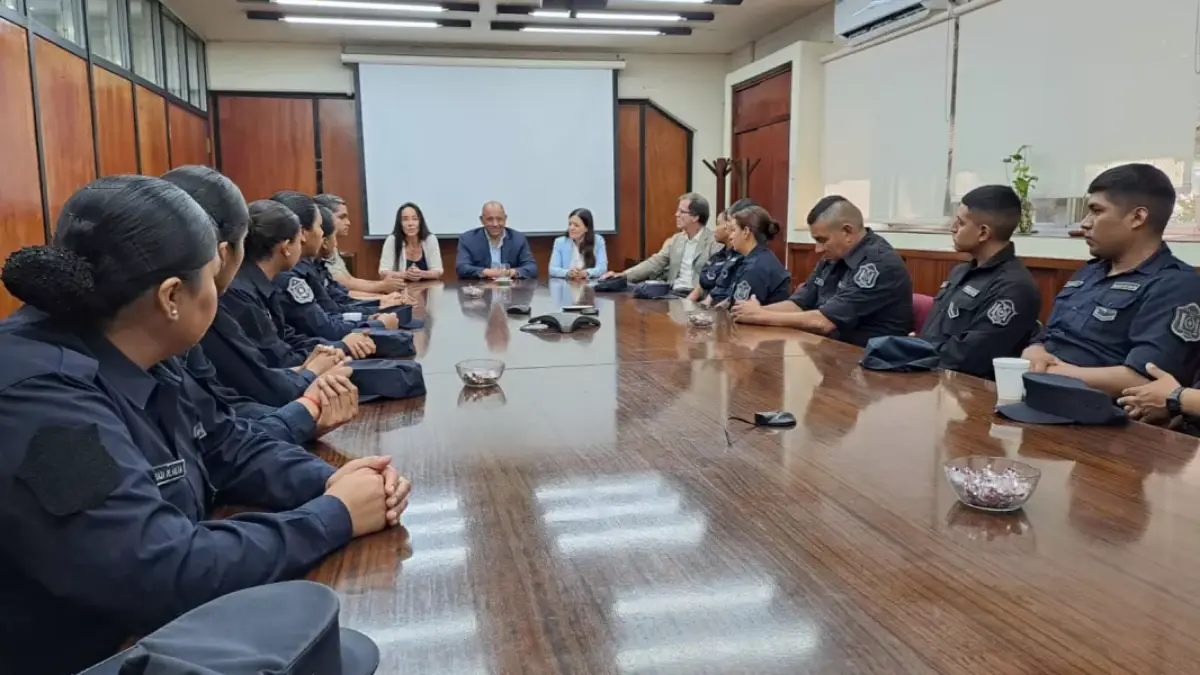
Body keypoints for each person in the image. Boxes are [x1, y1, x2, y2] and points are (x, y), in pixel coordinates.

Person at [0, 175, 408, 675]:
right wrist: (332, 516)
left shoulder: (144, 340)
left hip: (154, 635)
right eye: (214, 276)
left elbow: (224, 445)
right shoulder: (38, 396)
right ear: (172, 295)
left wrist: (332, 482)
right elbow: (161, 569)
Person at [162, 166, 357, 443]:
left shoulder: (185, 318)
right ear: (223, 253)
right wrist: (308, 403)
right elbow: (224, 432)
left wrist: (303, 387)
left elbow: (221, 409)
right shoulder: (215, 304)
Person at [1021, 163, 1200, 397]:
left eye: (1096, 211)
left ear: (1137, 217)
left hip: (1097, 415)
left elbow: (1146, 377)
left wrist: (1055, 373)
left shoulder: (1174, 285)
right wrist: (1034, 352)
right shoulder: (1090, 272)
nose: (1084, 223)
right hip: (1038, 392)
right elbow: (1046, 336)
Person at [731, 196, 912, 345]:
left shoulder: (879, 264)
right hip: (834, 355)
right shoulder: (833, 257)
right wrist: (750, 312)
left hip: (873, 367)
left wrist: (761, 315)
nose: (818, 249)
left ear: (847, 232)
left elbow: (824, 322)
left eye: (822, 240)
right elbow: (799, 304)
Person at [223, 200, 377, 367]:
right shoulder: (244, 293)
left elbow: (286, 337)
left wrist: (333, 348)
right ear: (286, 247)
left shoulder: (264, 283)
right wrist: (338, 348)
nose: (303, 241)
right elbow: (279, 359)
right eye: (299, 237)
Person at [918, 185, 1041, 378]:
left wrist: (912, 354)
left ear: (983, 233)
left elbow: (970, 358)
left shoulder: (1013, 288)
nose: (952, 228)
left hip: (967, 391)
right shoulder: (961, 271)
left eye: (960, 223)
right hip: (929, 374)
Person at [272, 196, 402, 342]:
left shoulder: (307, 267)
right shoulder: (289, 277)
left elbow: (337, 303)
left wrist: (374, 313)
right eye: (319, 227)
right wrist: (377, 321)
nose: (322, 234)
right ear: (302, 233)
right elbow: (326, 326)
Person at [602, 193, 720, 294]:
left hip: (696, 297)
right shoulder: (676, 240)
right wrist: (623, 275)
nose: (676, 214)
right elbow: (655, 262)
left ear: (695, 218)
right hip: (674, 293)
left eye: (681, 212)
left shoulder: (713, 242)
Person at [312, 193, 406, 295]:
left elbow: (348, 280)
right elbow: (342, 283)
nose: (348, 223)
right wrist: (381, 288)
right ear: (324, 217)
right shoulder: (319, 247)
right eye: (342, 217)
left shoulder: (331, 245)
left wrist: (382, 291)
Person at [708, 206, 791, 306]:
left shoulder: (755, 268)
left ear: (746, 232)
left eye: (734, 230)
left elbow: (740, 310)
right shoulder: (761, 257)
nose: (730, 236)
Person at [688, 199, 756, 303]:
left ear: (746, 230)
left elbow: (732, 301)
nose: (715, 229)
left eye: (733, 228)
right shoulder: (724, 254)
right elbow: (715, 287)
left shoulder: (750, 261)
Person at [455, 201, 538, 279]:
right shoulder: (468, 239)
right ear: (481, 220)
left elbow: (531, 268)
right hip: (481, 289)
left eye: (499, 219)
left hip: (510, 289)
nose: (495, 224)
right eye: (490, 219)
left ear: (505, 219)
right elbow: (462, 268)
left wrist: (511, 272)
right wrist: (490, 273)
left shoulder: (518, 238)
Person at [379, 202, 444, 281]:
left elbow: (438, 271)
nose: (410, 224)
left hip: (428, 289)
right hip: (399, 290)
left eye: (415, 219)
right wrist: (405, 275)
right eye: (405, 219)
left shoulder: (430, 239)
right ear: (400, 223)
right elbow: (382, 272)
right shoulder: (392, 240)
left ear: (420, 222)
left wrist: (421, 273)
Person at [550, 207, 608, 279]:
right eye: (570, 224)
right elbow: (552, 269)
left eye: (576, 225)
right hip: (567, 286)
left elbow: (602, 268)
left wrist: (586, 273)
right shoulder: (560, 242)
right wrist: (568, 273)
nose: (571, 228)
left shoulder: (598, 241)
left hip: (590, 287)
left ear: (586, 228)